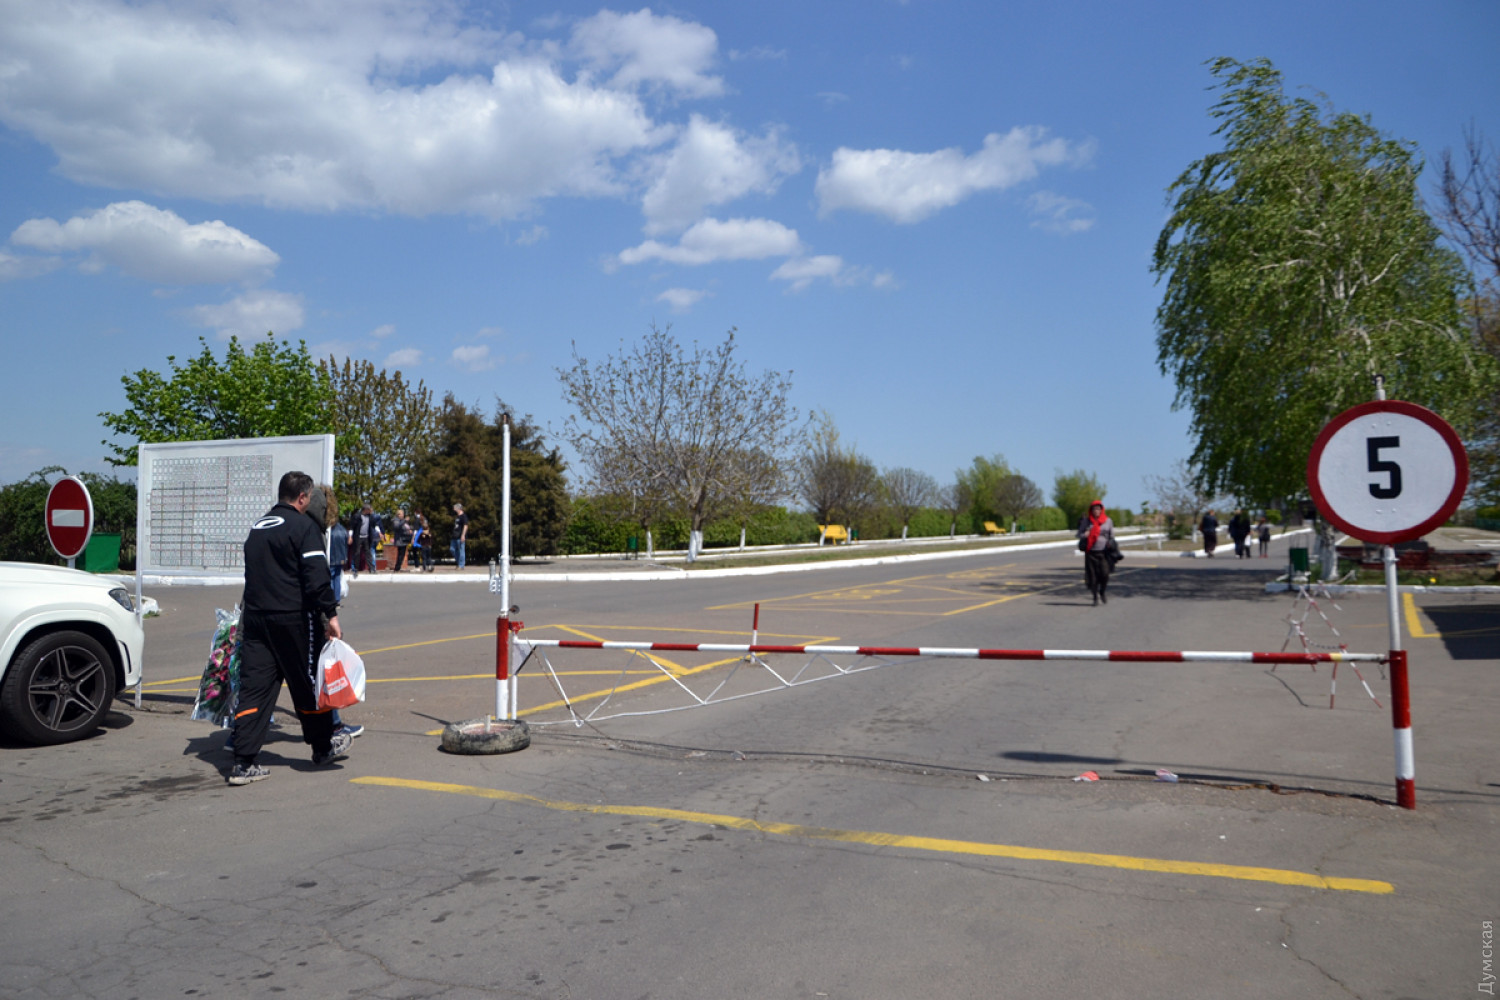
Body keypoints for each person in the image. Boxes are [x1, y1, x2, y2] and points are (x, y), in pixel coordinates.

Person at [225, 471, 352, 786]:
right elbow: (316, 576)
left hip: (256, 620)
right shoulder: (303, 526)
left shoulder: (258, 527)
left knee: (255, 688)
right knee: (308, 683)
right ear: (303, 497)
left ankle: (243, 762)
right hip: (293, 619)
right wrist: (330, 615)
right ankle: (322, 748)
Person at [1077, 499, 1116, 606]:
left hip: (1103, 552)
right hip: (1090, 553)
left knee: (1105, 574)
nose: (1096, 511)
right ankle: (1095, 598)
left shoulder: (1108, 521)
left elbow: (1112, 536)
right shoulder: (1086, 521)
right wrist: (1085, 534)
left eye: (1098, 509)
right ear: (1091, 510)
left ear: (1101, 510)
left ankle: (1102, 591)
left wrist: (1110, 543)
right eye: (1094, 509)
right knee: (1092, 577)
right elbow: (1079, 534)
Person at [350, 503, 382, 577]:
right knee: (357, 553)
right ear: (365, 510)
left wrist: (379, 532)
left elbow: (375, 525)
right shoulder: (357, 516)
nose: (371, 511)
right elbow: (352, 527)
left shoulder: (370, 517)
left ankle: (372, 569)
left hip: (366, 537)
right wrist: (350, 536)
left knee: (368, 553)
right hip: (358, 537)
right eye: (369, 510)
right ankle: (355, 569)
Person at [390, 507, 412, 572]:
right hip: (400, 540)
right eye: (402, 514)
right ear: (398, 515)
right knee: (400, 555)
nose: (403, 515)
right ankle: (397, 568)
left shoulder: (403, 521)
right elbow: (397, 527)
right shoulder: (396, 520)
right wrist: (404, 521)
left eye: (403, 514)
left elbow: (406, 528)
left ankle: (398, 567)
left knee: (402, 555)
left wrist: (410, 530)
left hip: (404, 539)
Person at [451, 502, 469, 570]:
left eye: (455, 508)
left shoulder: (463, 516)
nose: (454, 510)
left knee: (461, 550)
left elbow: (465, 525)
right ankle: (459, 562)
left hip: (460, 536)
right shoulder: (457, 517)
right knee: (452, 549)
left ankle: (461, 565)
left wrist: (463, 535)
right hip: (454, 536)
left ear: (459, 509)